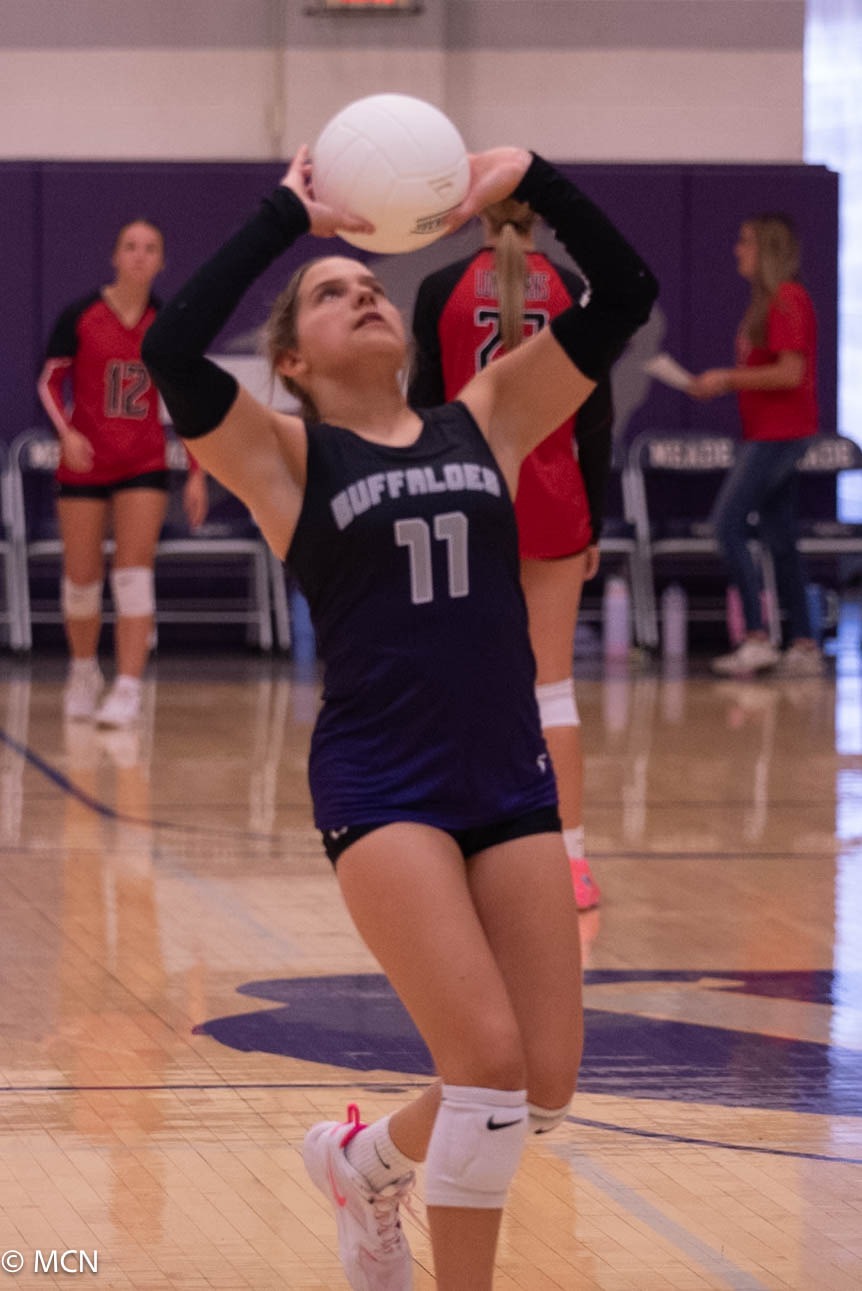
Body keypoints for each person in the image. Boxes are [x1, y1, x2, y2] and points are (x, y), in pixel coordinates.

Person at [142, 143, 657, 1291]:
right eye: (334, 293)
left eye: (371, 284)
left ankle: (362, 1162)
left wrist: (532, 179)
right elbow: (170, 350)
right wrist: (288, 216)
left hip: (505, 776)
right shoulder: (285, 456)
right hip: (384, 785)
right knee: (485, 1062)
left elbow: (624, 294)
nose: (365, 293)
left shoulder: (487, 414)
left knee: (542, 1084)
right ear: (291, 359)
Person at [409, 198, 615, 912]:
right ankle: (573, 860)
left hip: (467, 498)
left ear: (477, 213)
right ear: (540, 216)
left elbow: (423, 413)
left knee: (462, 683)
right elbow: (596, 418)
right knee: (552, 689)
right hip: (554, 496)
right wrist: (595, 522)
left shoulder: (439, 290)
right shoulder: (572, 288)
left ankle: (463, 851)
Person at [37, 218, 208, 728]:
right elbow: (49, 381)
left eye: (150, 248)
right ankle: (83, 672)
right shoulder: (82, 315)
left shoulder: (168, 323)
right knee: (81, 580)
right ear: (115, 256)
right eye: (130, 246)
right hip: (85, 463)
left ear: (162, 262)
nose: (139, 255)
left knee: (133, 576)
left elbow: (189, 399)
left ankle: (129, 687)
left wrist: (197, 471)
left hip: (143, 462)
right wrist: (67, 433)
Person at [688, 212, 821, 677]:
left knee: (727, 525)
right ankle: (804, 642)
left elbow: (791, 372)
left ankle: (757, 636)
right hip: (767, 432)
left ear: (767, 249)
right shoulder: (766, 303)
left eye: (745, 241)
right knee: (780, 538)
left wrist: (726, 379)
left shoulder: (787, 298)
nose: (737, 250)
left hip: (780, 435)